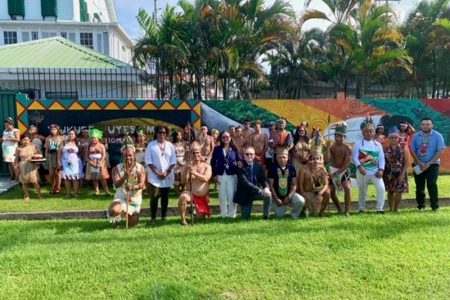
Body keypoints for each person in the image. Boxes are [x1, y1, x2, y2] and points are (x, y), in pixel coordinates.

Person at [107, 141, 146, 229]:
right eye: (125, 155)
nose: (128, 157)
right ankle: (117, 218)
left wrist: (133, 187)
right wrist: (124, 177)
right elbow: (116, 185)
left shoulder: (140, 168)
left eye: (130, 155)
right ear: (122, 156)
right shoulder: (116, 169)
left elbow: (141, 184)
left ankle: (129, 216)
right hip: (121, 198)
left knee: (133, 223)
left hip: (134, 200)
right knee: (113, 211)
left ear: (134, 155)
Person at [410, 117, 445, 212]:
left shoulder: (438, 136)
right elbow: (412, 150)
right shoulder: (416, 136)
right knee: (419, 185)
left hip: (433, 164)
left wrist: (429, 163)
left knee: (432, 184)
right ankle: (421, 206)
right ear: (421, 125)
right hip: (418, 164)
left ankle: (435, 206)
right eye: (423, 124)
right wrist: (420, 162)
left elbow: (440, 151)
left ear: (432, 125)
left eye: (427, 124)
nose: (425, 126)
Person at [352, 117, 386, 214]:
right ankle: (361, 209)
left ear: (374, 132)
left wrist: (381, 170)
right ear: (363, 133)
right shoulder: (358, 144)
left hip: (375, 172)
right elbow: (354, 157)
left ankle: (380, 209)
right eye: (367, 131)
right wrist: (359, 166)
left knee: (381, 188)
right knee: (363, 191)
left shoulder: (377, 145)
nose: (369, 133)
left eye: (371, 131)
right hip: (362, 172)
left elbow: (381, 158)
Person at [145, 125, 176, 224]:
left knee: (165, 197)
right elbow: (148, 161)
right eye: (159, 132)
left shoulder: (170, 145)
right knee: (154, 197)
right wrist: (158, 173)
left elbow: (173, 161)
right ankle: (153, 218)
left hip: (167, 175)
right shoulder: (151, 145)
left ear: (166, 134)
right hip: (155, 177)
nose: (161, 134)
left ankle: (163, 216)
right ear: (156, 134)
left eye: (163, 132)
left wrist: (166, 173)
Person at [178, 142, 212, 225]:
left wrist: (194, 173)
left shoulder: (207, 166)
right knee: (183, 197)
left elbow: (205, 178)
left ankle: (196, 211)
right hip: (190, 193)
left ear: (201, 154)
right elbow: (182, 180)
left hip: (202, 196)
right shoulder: (188, 165)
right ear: (191, 155)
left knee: (200, 218)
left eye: (197, 153)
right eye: (194, 153)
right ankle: (183, 220)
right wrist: (186, 167)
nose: (196, 155)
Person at [234, 146, 271, 220]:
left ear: (254, 156)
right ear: (243, 155)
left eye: (251, 154)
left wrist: (266, 188)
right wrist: (260, 190)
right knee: (245, 218)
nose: (249, 156)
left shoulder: (258, 166)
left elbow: (263, 179)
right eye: (247, 154)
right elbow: (245, 182)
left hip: (255, 192)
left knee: (268, 195)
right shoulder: (240, 167)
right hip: (245, 194)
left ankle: (266, 217)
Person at [268, 149, 305, 219]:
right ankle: (281, 208)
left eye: (284, 157)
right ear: (276, 158)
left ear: (287, 158)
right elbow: (271, 185)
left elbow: (294, 185)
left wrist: (288, 197)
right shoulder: (272, 168)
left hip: (288, 195)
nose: (282, 159)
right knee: (280, 216)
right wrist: (276, 199)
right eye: (280, 157)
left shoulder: (291, 168)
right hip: (277, 197)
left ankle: (294, 216)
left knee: (301, 200)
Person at [324, 122, 352, 216]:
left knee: (347, 188)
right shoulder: (332, 146)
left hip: (343, 171)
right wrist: (328, 148)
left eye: (340, 136)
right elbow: (326, 160)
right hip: (332, 169)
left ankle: (346, 211)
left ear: (344, 137)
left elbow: (347, 164)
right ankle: (339, 209)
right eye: (336, 136)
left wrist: (336, 174)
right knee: (331, 191)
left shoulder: (347, 148)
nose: (338, 138)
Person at [211, 131, 239, 219]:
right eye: (223, 137)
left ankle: (232, 214)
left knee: (231, 195)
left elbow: (240, 160)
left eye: (227, 137)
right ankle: (223, 214)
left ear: (230, 138)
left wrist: (240, 164)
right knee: (222, 196)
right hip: (220, 175)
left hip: (232, 175)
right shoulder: (217, 149)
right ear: (221, 139)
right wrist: (214, 175)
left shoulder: (235, 149)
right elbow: (213, 162)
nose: (225, 139)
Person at [298, 149, 330, 217]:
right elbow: (300, 184)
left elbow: (326, 184)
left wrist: (320, 193)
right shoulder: (303, 169)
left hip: (316, 190)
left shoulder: (322, 169)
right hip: (306, 192)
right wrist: (303, 194)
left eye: (318, 158)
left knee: (327, 193)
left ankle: (321, 213)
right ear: (310, 159)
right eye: (313, 158)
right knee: (312, 213)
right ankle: (304, 209)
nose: (316, 161)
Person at [383, 132, 409, 212]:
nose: (394, 139)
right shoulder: (385, 150)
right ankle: (390, 209)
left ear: (398, 139)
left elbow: (406, 163)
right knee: (390, 191)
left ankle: (396, 209)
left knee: (399, 191)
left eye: (395, 137)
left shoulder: (403, 149)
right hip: (389, 174)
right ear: (388, 139)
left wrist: (403, 174)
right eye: (391, 137)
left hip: (400, 173)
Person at [14, 134, 41, 201]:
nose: (26, 141)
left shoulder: (33, 147)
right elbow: (16, 158)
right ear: (21, 140)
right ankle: (27, 196)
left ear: (30, 140)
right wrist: (15, 166)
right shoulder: (18, 148)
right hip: (22, 165)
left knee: (35, 181)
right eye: (24, 140)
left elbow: (37, 155)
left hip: (31, 165)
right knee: (24, 182)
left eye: (27, 140)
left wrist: (37, 161)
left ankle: (39, 195)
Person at [85, 128, 110, 196]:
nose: (94, 139)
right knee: (94, 178)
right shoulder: (88, 146)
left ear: (98, 138)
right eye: (92, 138)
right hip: (91, 163)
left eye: (95, 138)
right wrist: (92, 163)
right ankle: (97, 191)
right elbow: (86, 157)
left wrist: (100, 163)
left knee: (102, 178)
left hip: (101, 163)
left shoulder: (101, 145)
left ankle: (106, 191)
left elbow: (104, 155)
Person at [59, 130, 82, 198]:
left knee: (75, 178)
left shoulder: (77, 142)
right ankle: (68, 193)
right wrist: (59, 162)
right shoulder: (63, 142)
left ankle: (75, 193)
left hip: (75, 163)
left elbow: (80, 152)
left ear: (75, 135)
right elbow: (59, 153)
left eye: (72, 134)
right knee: (67, 178)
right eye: (69, 134)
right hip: (65, 162)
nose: (71, 135)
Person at [45, 124, 64, 194]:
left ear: (57, 130)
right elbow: (46, 149)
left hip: (59, 156)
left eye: (54, 129)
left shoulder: (61, 138)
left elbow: (64, 148)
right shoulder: (48, 138)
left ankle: (58, 187)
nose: (53, 131)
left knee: (58, 173)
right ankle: (52, 187)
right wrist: (46, 157)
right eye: (51, 129)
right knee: (51, 173)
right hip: (51, 156)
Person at [2, 117, 20, 181]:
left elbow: (18, 139)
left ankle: (17, 178)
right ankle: (12, 176)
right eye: (5, 125)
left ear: (11, 124)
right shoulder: (5, 131)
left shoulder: (15, 130)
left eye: (7, 125)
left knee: (13, 163)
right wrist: (2, 139)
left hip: (12, 149)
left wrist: (7, 139)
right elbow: (4, 139)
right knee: (9, 163)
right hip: (6, 149)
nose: (6, 126)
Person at [172, 130, 186, 196]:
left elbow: (186, 153)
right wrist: (177, 162)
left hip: (183, 161)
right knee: (177, 178)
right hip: (176, 162)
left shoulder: (184, 143)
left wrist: (184, 162)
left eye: (180, 135)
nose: (179, 136)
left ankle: (183, 191)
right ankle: (178, 193)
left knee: (183, 178)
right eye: (178, 135)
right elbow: (171, 155)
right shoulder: (172, 145)